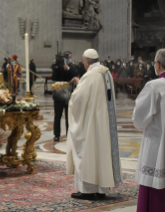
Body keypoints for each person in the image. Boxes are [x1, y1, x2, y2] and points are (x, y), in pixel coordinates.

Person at [67, 49, 122, 200]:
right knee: (101, 153)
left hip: (91, 123)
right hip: (104, 123)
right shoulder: (106, 73)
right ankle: (101, 189)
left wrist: (77, 85)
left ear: (86, 61)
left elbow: (77, 100)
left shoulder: (90, 75)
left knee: (89, 151)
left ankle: (88, 190)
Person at [133, 49, 165, 212]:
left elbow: (139, 119)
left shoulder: (155, 86)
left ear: (158, 65)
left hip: (157, 146)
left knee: (155, 189)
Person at [52, 52, 78, 142]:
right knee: (57, 116)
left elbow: (74, 74)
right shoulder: (57, 67)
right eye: (67, 58)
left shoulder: (72, 66)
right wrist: (56, 67)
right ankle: (56, 134)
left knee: (68, 116)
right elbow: (54, 77)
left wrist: (67, 67)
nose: (68, 59)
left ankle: (69, 134)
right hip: (58, 94)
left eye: (69, 58)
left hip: (68, 94)